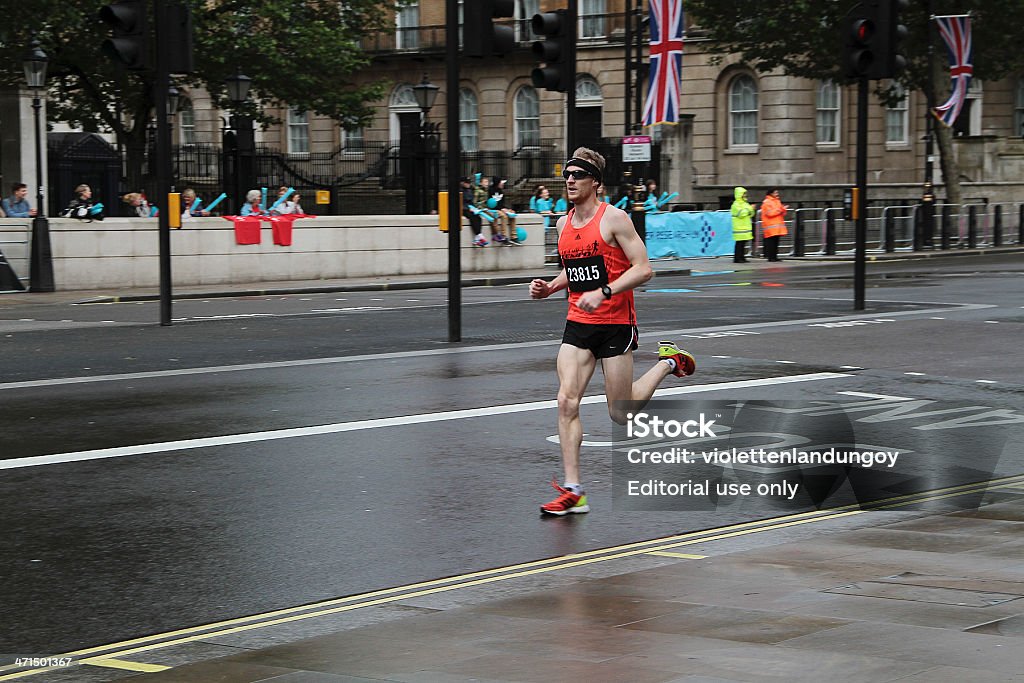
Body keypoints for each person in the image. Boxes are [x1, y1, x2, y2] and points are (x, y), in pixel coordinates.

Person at [528, 147, 696, 516]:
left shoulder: (615, 219)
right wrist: (550, 288)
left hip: (615, 324)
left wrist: (604, 291)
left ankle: (668, 364)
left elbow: (644, 268)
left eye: (578, 175)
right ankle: (574, 490)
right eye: (567, 175)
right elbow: (573, 270)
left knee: (621, 414)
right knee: (565, 401)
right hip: (578, 324)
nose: (570, 180)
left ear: (596, 183)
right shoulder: (561, 224)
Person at [475, 175, 508, 244]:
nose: (487, 183)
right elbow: (475, 201)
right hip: (482, 209)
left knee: (495, 216)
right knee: (493, 217)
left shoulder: (487, 190)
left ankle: (497, 234)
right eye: (485, 182)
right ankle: (497, 234)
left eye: (487, 182)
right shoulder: (481, 190)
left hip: (486, 208)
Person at [760, 188, 789, 262]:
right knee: (771, 243)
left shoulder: (777, 201)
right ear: (771, 193)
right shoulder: (767, 202)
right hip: (770, 225)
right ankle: (771, 257)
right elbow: (770, 213)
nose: (777, 194)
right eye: (776, 193)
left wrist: (783, 209)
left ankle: (774, 257)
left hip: (777, 225)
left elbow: (782, 212)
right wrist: (780, 209)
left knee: (775, 242)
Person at [490, 178, 520, 245]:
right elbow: (491, 204)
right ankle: (503, 236)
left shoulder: (501, 191)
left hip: (501, 208)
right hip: (494, 209)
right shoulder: (491, 190)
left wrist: (507, 209)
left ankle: (513, 236)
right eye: (501, 183)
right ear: (498, 183)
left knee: (512, 214)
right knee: (504, 216)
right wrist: (502, 209)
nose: (503, 184)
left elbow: (502, 203)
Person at [460, 176, 487, 246]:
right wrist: (468, 208)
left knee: (478, 217)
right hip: (464, 209)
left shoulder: (470, 189)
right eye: (466, 183)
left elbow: (471, 201)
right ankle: (479, 235)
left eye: (469, 183)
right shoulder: (460, 191)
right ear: (462, 183)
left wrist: (474, 208)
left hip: (470, 207)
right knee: (472, 216)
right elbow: (461, 202)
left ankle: (478, 236)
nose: (468, 184)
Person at [730, 186, 753, 263]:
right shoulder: (735, 205)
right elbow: (741, 214)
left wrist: (749, 210)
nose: (745, 195)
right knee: (739, 243)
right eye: (743, 194)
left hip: (745, 226)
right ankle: (737, 258)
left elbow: (751, 213)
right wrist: (749, 209)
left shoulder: (745, 203)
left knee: (743, 243)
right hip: (739, 227)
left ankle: (742, 257)